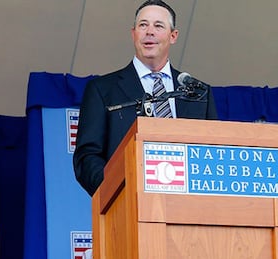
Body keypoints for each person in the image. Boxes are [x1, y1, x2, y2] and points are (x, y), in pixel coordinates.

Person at [73, 0, 218, 196]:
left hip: (190, 208)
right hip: (128, 206)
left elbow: (214, 154)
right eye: (143, 25)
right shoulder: (102, 90)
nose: (150, 31)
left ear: (173, 36)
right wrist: (118, 194)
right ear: (133, 34)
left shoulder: (199, 93)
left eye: (158, 26)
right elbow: (88, 157)